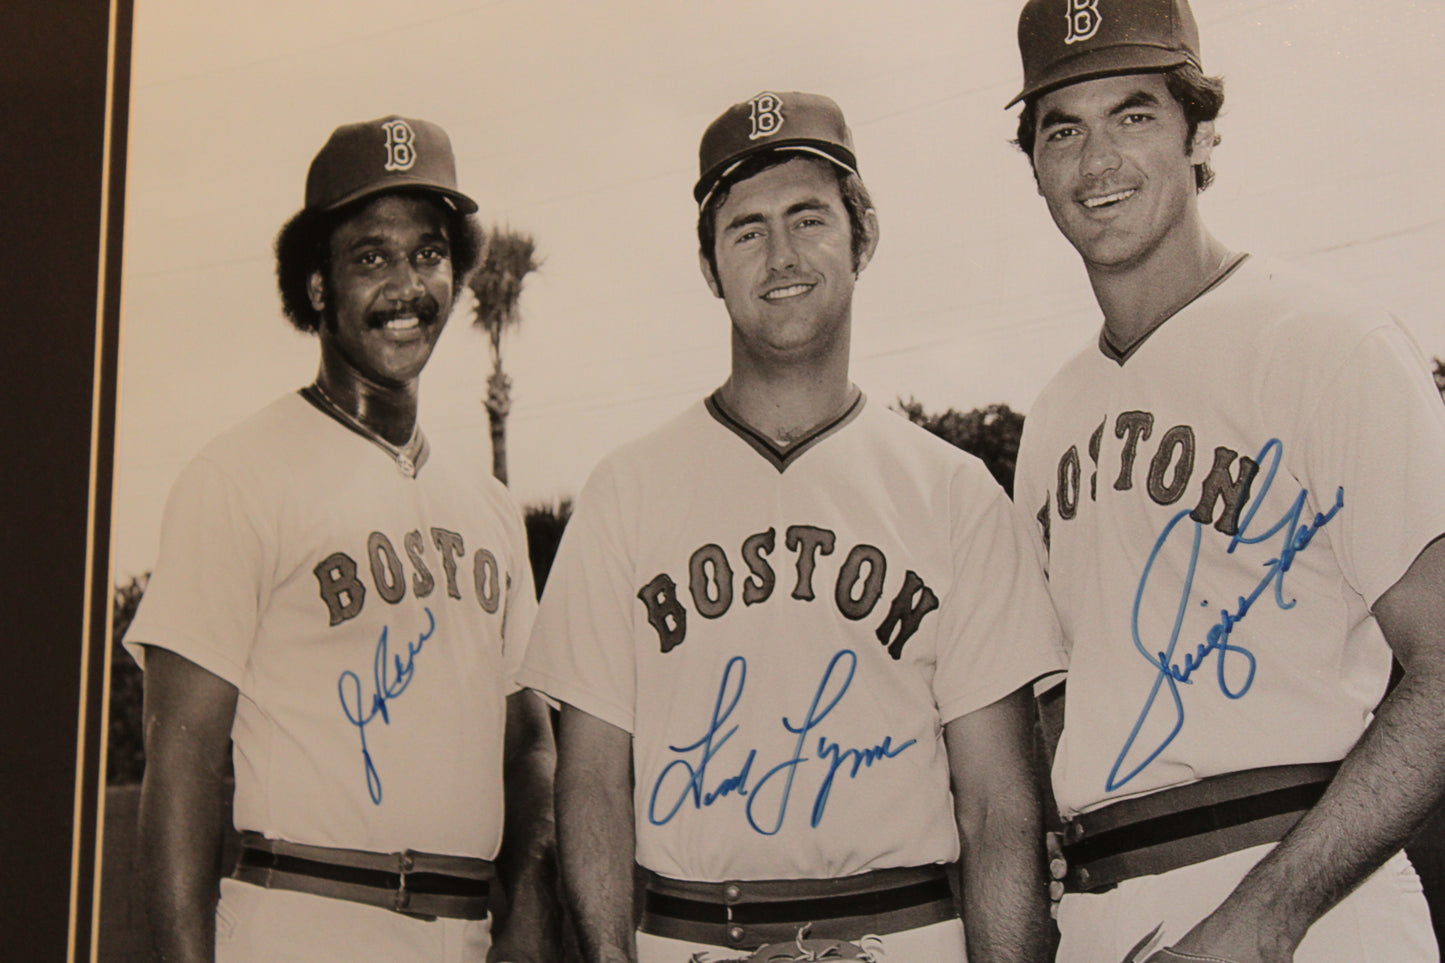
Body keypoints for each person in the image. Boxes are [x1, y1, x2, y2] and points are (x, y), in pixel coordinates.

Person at [517, 91, 1064, 963]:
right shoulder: (625, 491)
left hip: (906, 933)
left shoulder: (954, 493)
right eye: (745, 229)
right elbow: (590, 784)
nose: (780, 255)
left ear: (864, 236)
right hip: (692, 937)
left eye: (809, 218)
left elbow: (999, 807)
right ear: (709, 267)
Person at [1005, 1, 1445, 959]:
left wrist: (1262, 921)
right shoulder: (1050, 418)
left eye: (1134, 114)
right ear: (1032, 163)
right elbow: (1063, 702)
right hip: (1101, 907)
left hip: (1310, 895)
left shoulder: (1330, 343)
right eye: (1062, 129)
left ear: (1201, 132)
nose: (1096, 163)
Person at [125, 115, 557, 963]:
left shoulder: (490, 507)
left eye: (429, 253)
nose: (406, 285)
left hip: (467, 931)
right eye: (370, 257)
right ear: (318, 285)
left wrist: (533, 912)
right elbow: (178, 769)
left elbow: (529, 744)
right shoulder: (237, 477)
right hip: (302, 918)